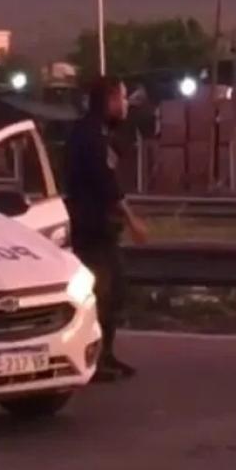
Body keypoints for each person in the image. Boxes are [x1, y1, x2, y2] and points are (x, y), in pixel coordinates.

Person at [65, 76, 150, 383]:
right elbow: (106, 184)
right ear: (110, 99)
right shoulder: (88, 136)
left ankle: (107, 354)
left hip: (103, 230)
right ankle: (95, 359)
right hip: (90, 230)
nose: (126, 104)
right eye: (123, 98)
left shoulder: (100, 133)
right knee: (101, 294)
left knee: (115, 293)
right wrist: (132, 220)